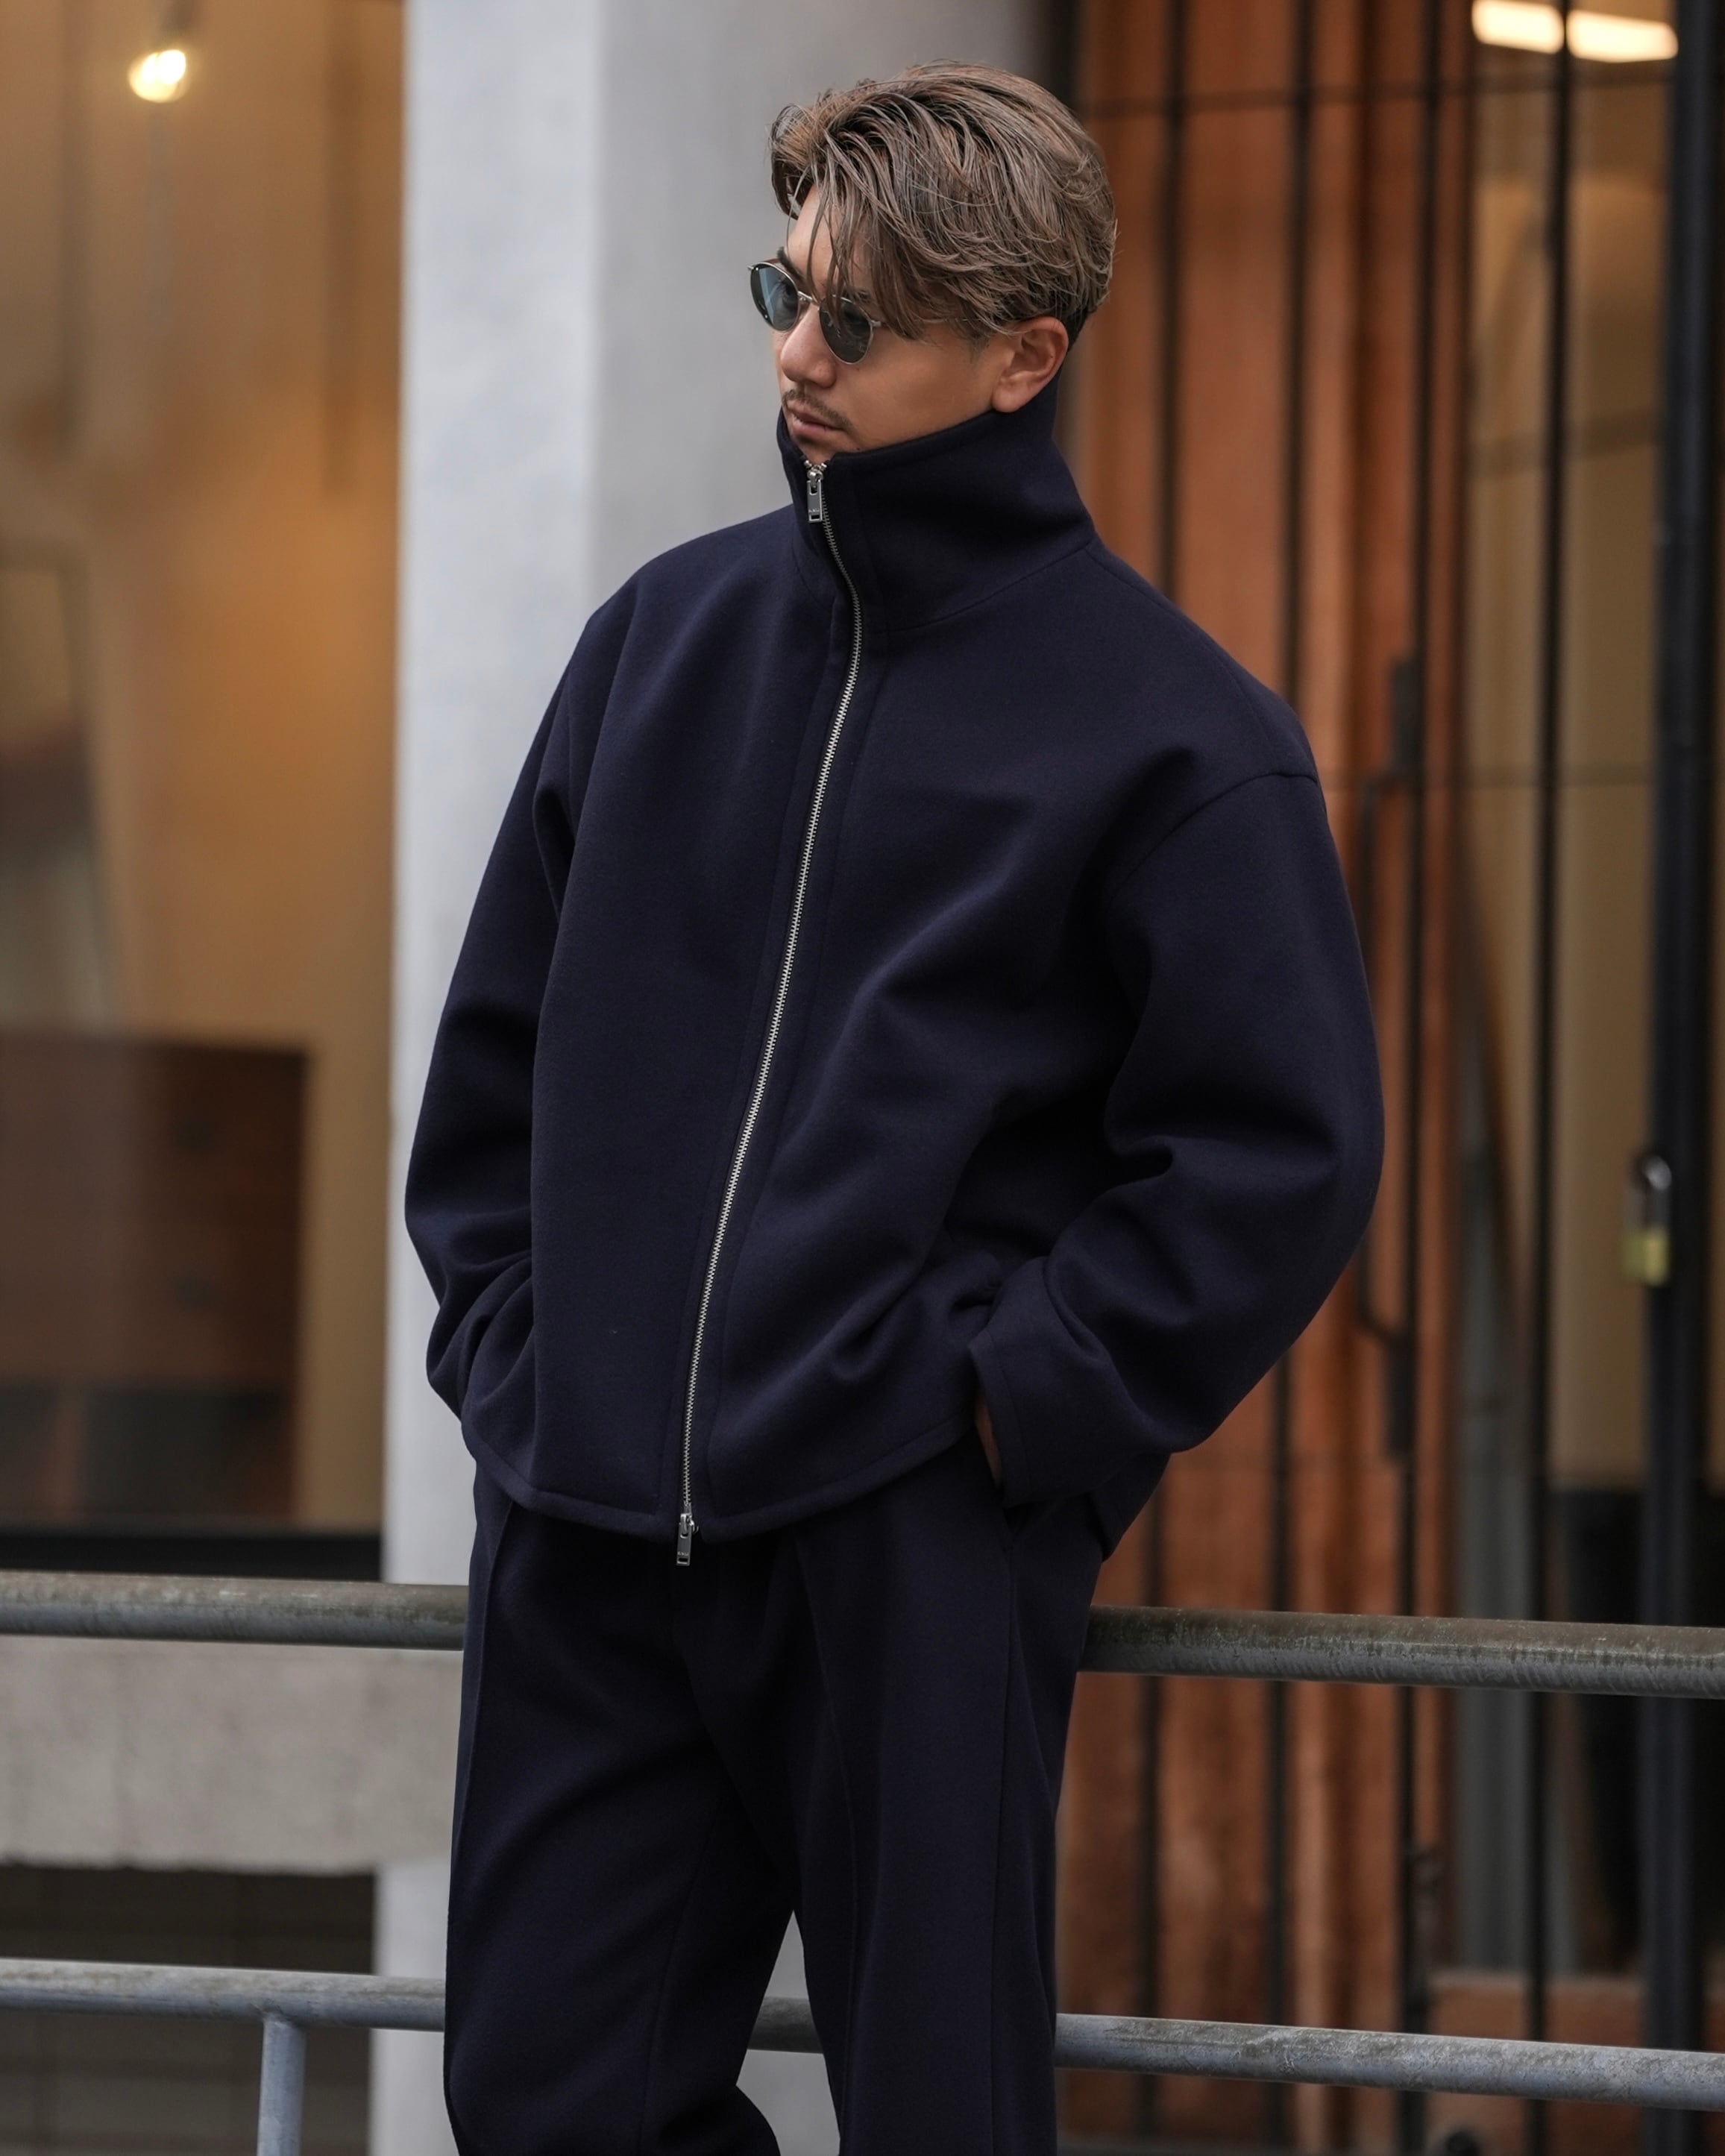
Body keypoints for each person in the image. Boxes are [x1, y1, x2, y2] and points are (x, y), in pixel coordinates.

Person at [407, 61, 1383, 2156]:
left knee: (939, 2112)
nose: (797, 354)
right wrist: (516, 1358)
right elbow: (492, 1064)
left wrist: (1002, 1416)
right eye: (790, 291)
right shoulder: (656, 648)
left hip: (898, 1543)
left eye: (859, 323)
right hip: (591, 1533)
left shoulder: (1173, 734)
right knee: (541, 2100)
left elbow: (1276, 1150)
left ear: (1023, 355)